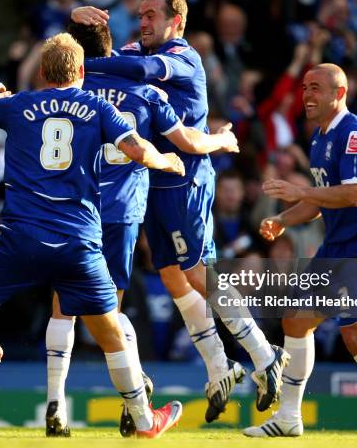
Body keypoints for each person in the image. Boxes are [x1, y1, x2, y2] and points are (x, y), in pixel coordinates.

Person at [0, 33, 184, 438]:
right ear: (83, 72)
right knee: (110, 334)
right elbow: (139, 150)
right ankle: (143, 419)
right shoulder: (98, 107)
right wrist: (167, 161)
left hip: (22, 238)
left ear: (41, 72)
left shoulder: (18, 105)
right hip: (78, 245)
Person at [71, 0, 288, 421]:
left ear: (177, 22)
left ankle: (265, 356)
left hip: (186, 180)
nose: (143, 21)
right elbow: (99, 67)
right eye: (141, 14)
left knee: (196, 272)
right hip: (153, 181)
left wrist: (93, 62)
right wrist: (76, 25)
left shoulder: (182, 58)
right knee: (173, 276)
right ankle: (219, 365)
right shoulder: (135, 50)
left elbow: (139, 69)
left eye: (152, 14)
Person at [46, 22, 239, 437]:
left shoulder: (67, 96)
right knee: (108, 314)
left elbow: (59, 64)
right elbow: (187, 141)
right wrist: (221, 141)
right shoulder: (144, 89)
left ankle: (56, 405)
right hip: (119, 213)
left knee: (64, 306)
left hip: (74, 210)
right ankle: (136, 400)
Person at [245, 63, 357, 441]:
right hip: (335, 246)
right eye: (305, 88)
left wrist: (300, 191)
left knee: (355, 333)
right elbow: (323, 201)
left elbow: (353, 194)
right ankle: (289, 417)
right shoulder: (320, 137)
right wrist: (285, 220)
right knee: (294, 319)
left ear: (339, 93)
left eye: (316, 88)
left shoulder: (355, 135)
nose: (307, 95)